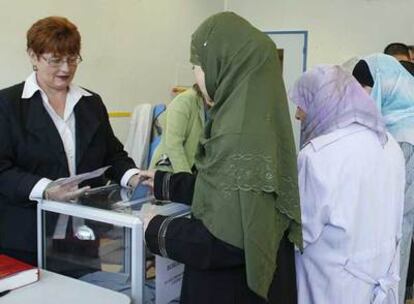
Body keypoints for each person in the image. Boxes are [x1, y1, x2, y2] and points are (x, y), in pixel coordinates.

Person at [139, 12, 301, 304]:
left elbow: (224, 242)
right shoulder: (261, 122)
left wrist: (157, 227)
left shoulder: (235, 135)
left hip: (229, 290)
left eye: (197, 65)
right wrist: (164, 182)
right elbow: (225, 195)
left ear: (222, 65)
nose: (196, 76)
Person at [0, 16, 140, 266]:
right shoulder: (8, 104)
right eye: (55, 60)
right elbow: (2, 170)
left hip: (81, 235)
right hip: (26, 239)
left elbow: (113, 154)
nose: (65, 69)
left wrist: (133, 176)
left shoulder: (90, 103)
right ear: (33, 56)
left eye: (72, 58)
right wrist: (45, 189)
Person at [291, 64, 405, 304]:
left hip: (330, 285)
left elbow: (300, 233)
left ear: (322, 102)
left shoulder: (316, 155)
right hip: (379, 283)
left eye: (302, 103)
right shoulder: (390, 144)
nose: (298, 114)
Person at [353, 53, 414, 304]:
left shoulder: (406, 136)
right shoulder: (388, 128)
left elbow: (400, 211)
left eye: (366, 88)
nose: (362, 97)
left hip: (389, 243)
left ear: (385, 85)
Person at [149, 83, 211, 173]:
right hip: (169, 168)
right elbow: (174, 145)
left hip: (195, 169)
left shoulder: (214, 107)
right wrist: (185, 179)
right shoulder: (184, 101)